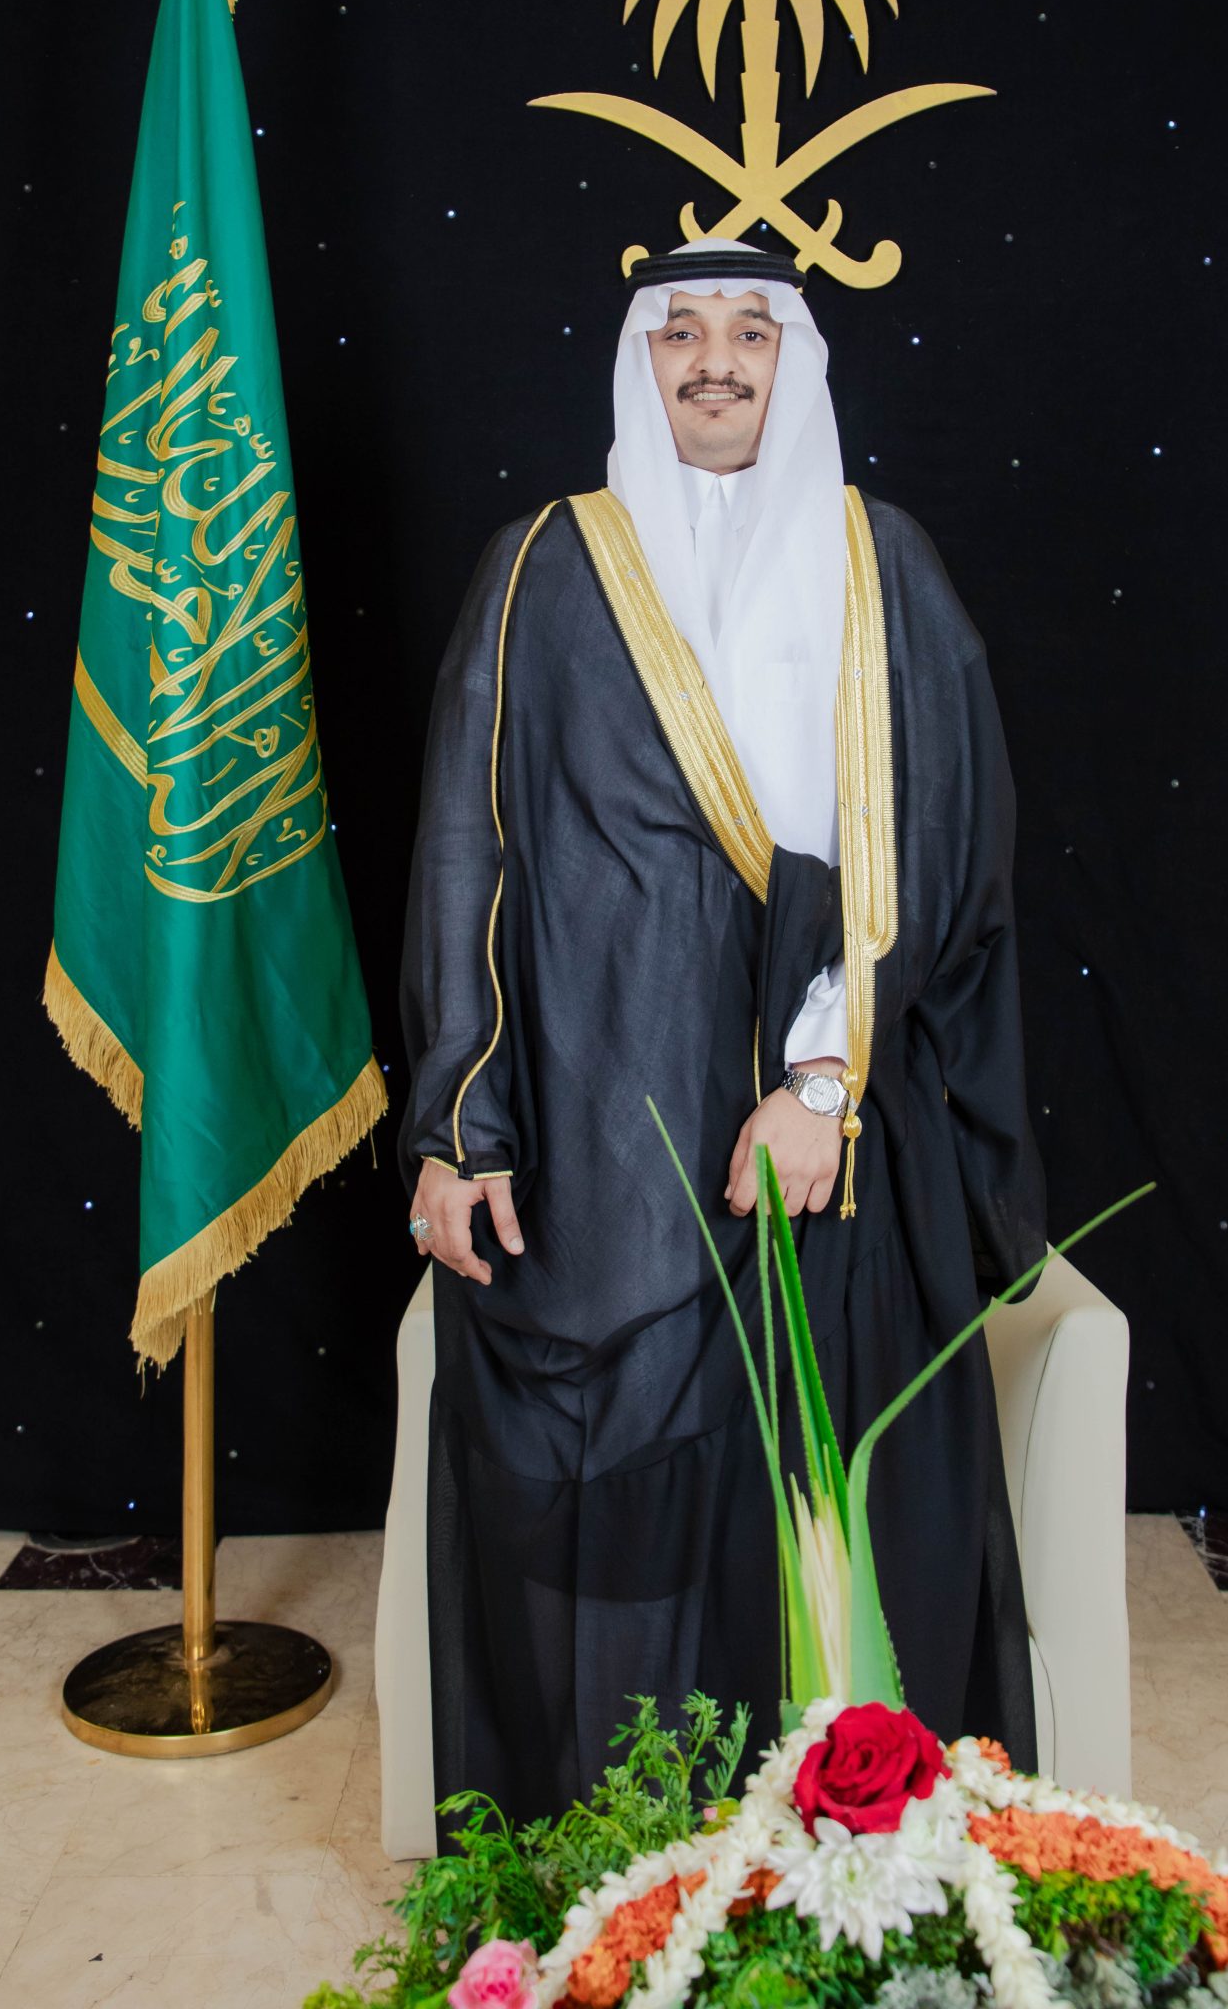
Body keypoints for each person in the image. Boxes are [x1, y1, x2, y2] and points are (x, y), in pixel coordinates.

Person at [397, 238, 1049, 1824]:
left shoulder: (883, 566)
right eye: (680, 330)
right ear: (640, 358)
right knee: (593, 1498)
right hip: (595, 1140)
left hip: (829, 1141)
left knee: (827, 1489)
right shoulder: (542, 566)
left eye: (749, 332)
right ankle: (620, 1856)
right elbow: (470, 855)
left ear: (791, 362)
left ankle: (839, 1859)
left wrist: (824, 1081)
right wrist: (459, 1129)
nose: (713, 359)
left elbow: (939, 849)